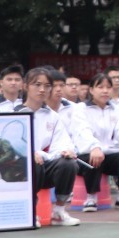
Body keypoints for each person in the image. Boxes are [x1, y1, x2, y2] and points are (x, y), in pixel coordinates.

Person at [22, 67, 81, 226]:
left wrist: (65, 151)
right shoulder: (14, 114)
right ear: (26, 86)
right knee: (32, 161)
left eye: (47, 86)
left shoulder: (53, 117)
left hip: (43, 165)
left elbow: (61, 143)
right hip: (19, 170)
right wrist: (29, 153)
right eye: (37, 84)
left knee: (68, 163)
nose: (42, 89)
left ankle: (59, 211)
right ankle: (30, 212)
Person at [65, 74, 119, 210]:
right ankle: (91, 198)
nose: (105, 91)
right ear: (91, 90)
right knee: (94, 158)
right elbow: (83, 131)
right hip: (86, 153)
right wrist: (94, 147)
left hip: (110, 152)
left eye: (108, 87)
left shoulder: (117, 109)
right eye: (100, 87)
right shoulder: (81, 109)